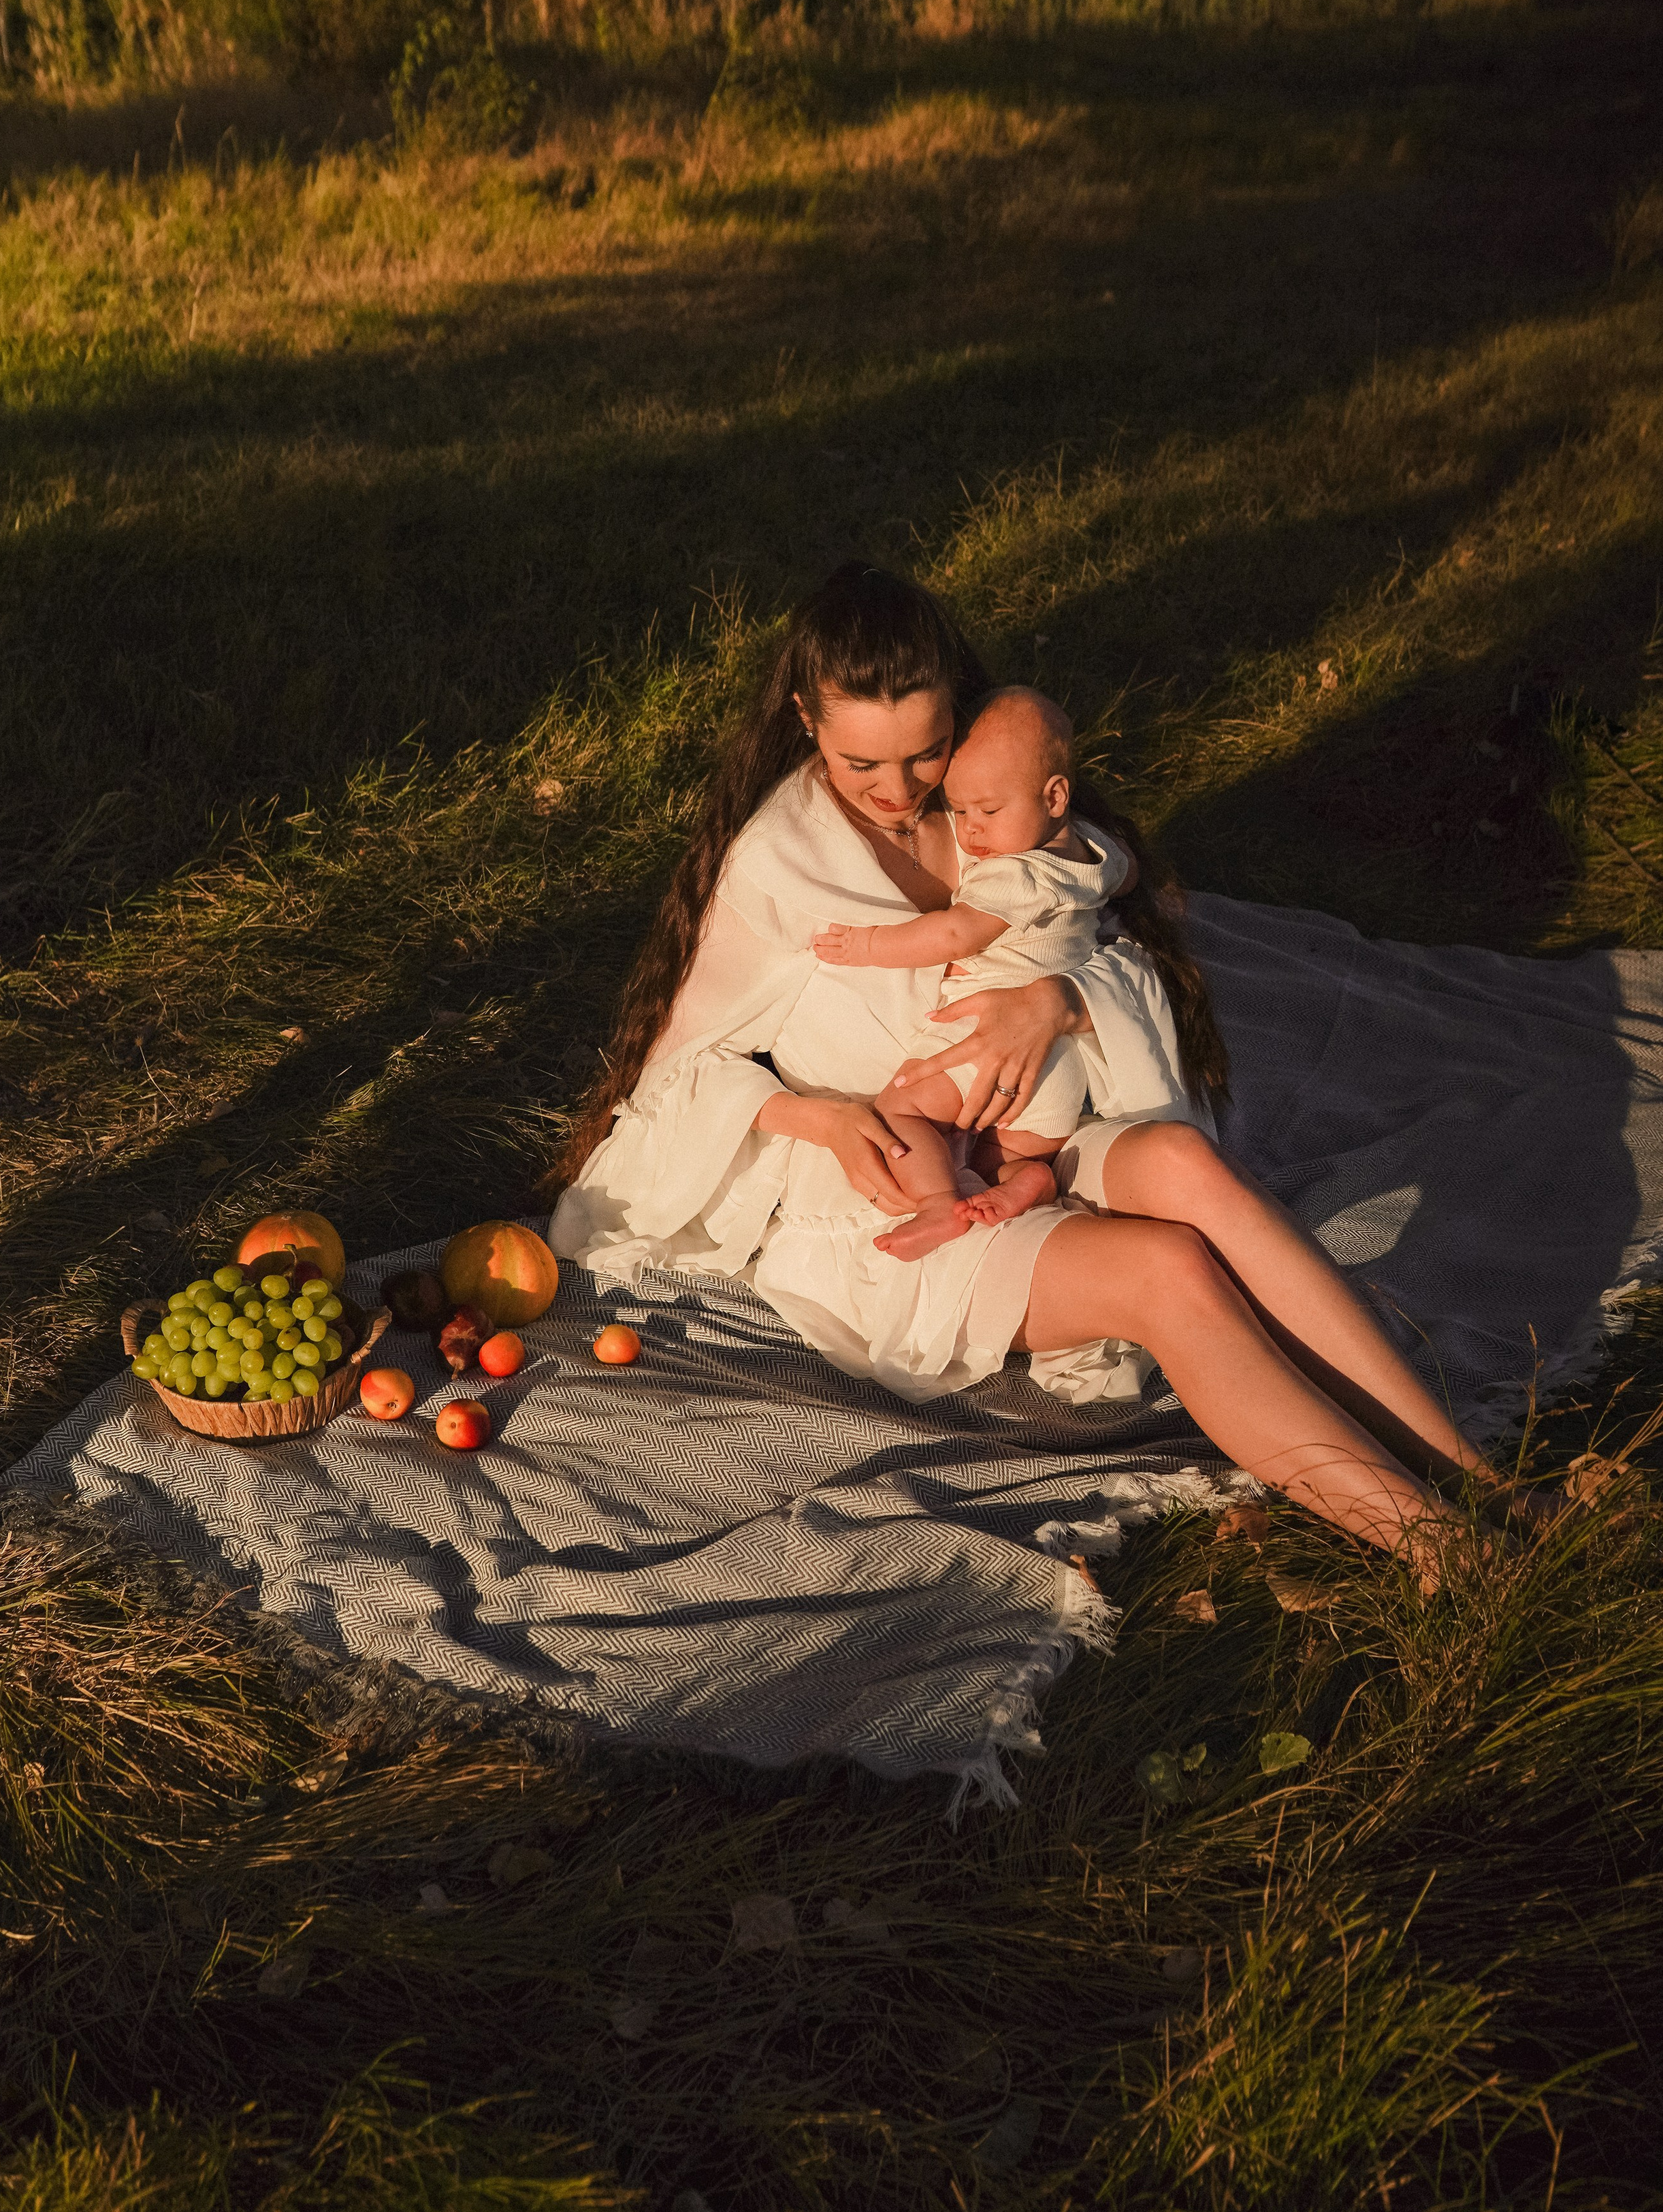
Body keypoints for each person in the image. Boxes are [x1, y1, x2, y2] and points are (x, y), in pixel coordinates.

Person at [549, 562, 1513, 1572]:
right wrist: (826, 1122)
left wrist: (1056, 999)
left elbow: (1107, 941)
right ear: (803, 719)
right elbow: (676, 1077)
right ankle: (1445, 1552)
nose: (896, 791)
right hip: (897, 1184)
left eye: (923, 755)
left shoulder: (991, 803)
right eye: (859, 765)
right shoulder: (776, 866)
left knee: (1185, 1168)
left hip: (1042, 1121)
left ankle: (1484, 1482)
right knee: (1169, 1267)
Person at [813, 683, 1190, 1260]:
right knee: (1000, 1154)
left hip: (984, 1038)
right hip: (1058, 1070)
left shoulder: (1015, 874)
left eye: (988, 811)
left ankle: (938, 1203)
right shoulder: (1094, 854)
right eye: (960, 811)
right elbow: (1132, 873)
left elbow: (953, 933)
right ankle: (1028, 1176)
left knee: (900, 1112)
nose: (971, 832)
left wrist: (867, 945)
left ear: (1056, 796)